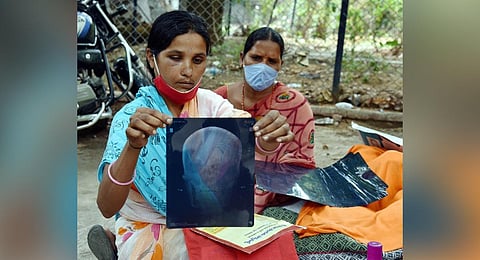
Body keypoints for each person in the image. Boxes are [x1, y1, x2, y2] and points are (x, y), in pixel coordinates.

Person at [87, 11, 294, 259]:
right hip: (152, 225)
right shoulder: (131, 119)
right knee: (196, 253)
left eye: (198, 60)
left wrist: (267, 137)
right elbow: (107, 206)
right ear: (151, 58)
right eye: (175, 58)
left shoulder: (210, 104)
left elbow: (250, 138)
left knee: (275, 243)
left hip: (213, 218)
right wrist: (133, 148)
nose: (188, 71)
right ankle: (121, 245)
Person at [214, 27, 316, 213]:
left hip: (276, 195)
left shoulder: (295, 105)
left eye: (272, 61)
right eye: (256, 58)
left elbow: (303, 163)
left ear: (280, 65)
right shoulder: (218, 99)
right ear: (241, 58)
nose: (263, 66)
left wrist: (267, 158)